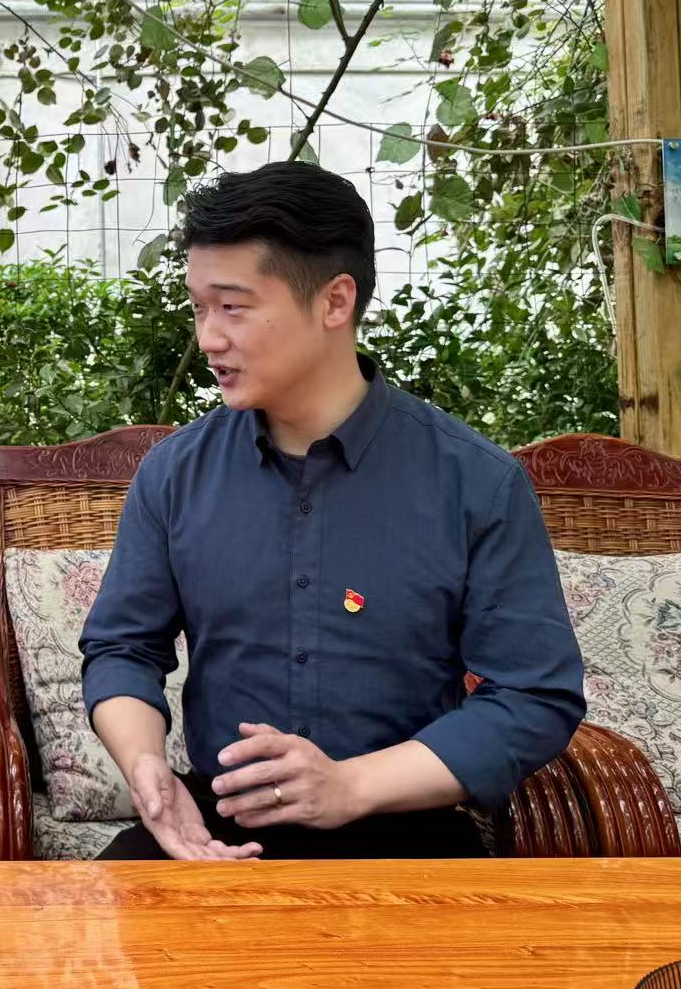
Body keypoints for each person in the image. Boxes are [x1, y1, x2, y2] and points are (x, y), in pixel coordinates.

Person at [80, 162, 585, 861]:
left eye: (232, 307)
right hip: (216, 832)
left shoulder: (475, 482)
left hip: (408, 833)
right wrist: (146, 766)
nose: (209, 338)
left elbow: (534, 695)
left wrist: (351, 785)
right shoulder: (174, 474)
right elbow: (122, 648)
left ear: (335, 301)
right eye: (199, 308)